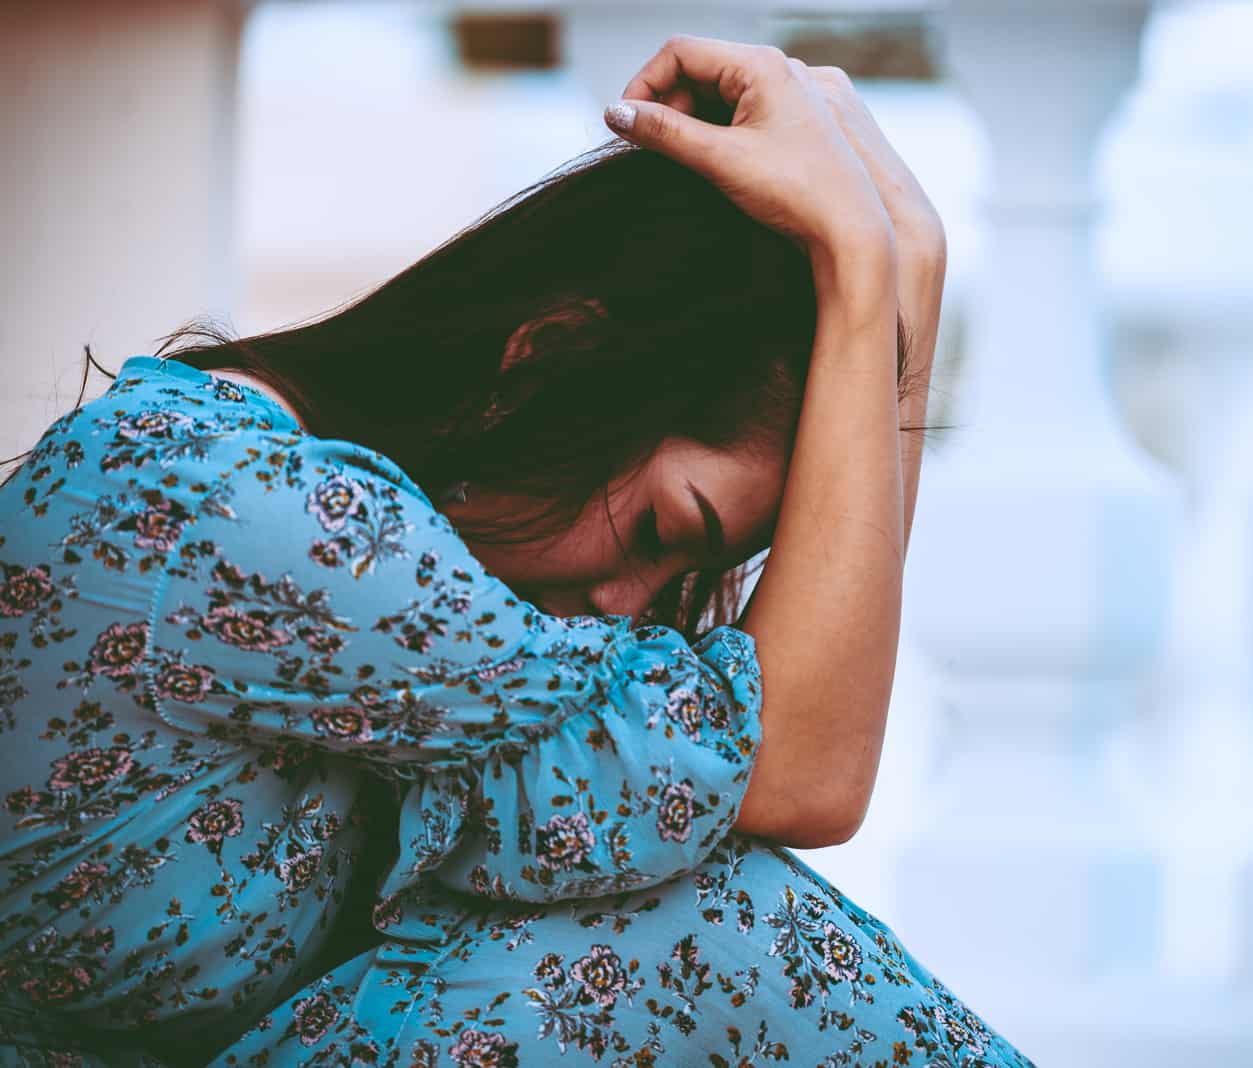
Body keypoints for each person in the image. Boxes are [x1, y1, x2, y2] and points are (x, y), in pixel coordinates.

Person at [0, 33, 1032, 1067]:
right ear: (549, 360)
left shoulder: (356, 569)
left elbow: (764, 770)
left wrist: (907, 292)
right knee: (688, 931)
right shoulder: (276, 520)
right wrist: (864, 270)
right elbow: (801, 772)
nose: (631, 606)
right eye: (662, 532)